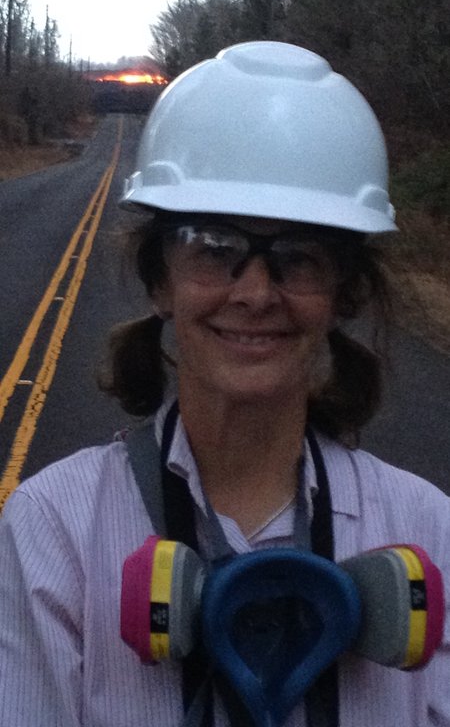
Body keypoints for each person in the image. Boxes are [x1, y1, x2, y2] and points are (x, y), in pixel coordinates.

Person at [0, 41, 449, 727]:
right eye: (214, 247)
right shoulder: (53, 531)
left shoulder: (429, 529)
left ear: (345, 291)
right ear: (160, 280)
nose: (256, 292)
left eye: (299, 257)